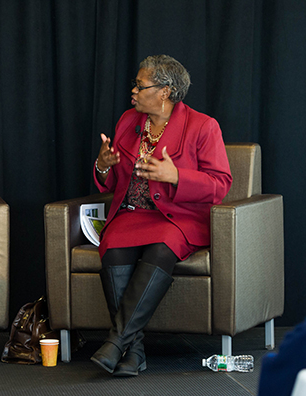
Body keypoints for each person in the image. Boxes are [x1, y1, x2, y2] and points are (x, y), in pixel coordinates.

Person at [91, 55, 232, 377]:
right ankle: (134, 350)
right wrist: (103, 165)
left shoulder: (203, 126)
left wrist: (177, 177)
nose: (134, 91)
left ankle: (116, 341)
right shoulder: (128, 121)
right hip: (132, 214)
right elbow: (113, 183)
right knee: (112, 250)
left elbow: (221, 184)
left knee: (161, 249)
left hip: (177, 217)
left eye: (140, 86)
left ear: (165, 91)